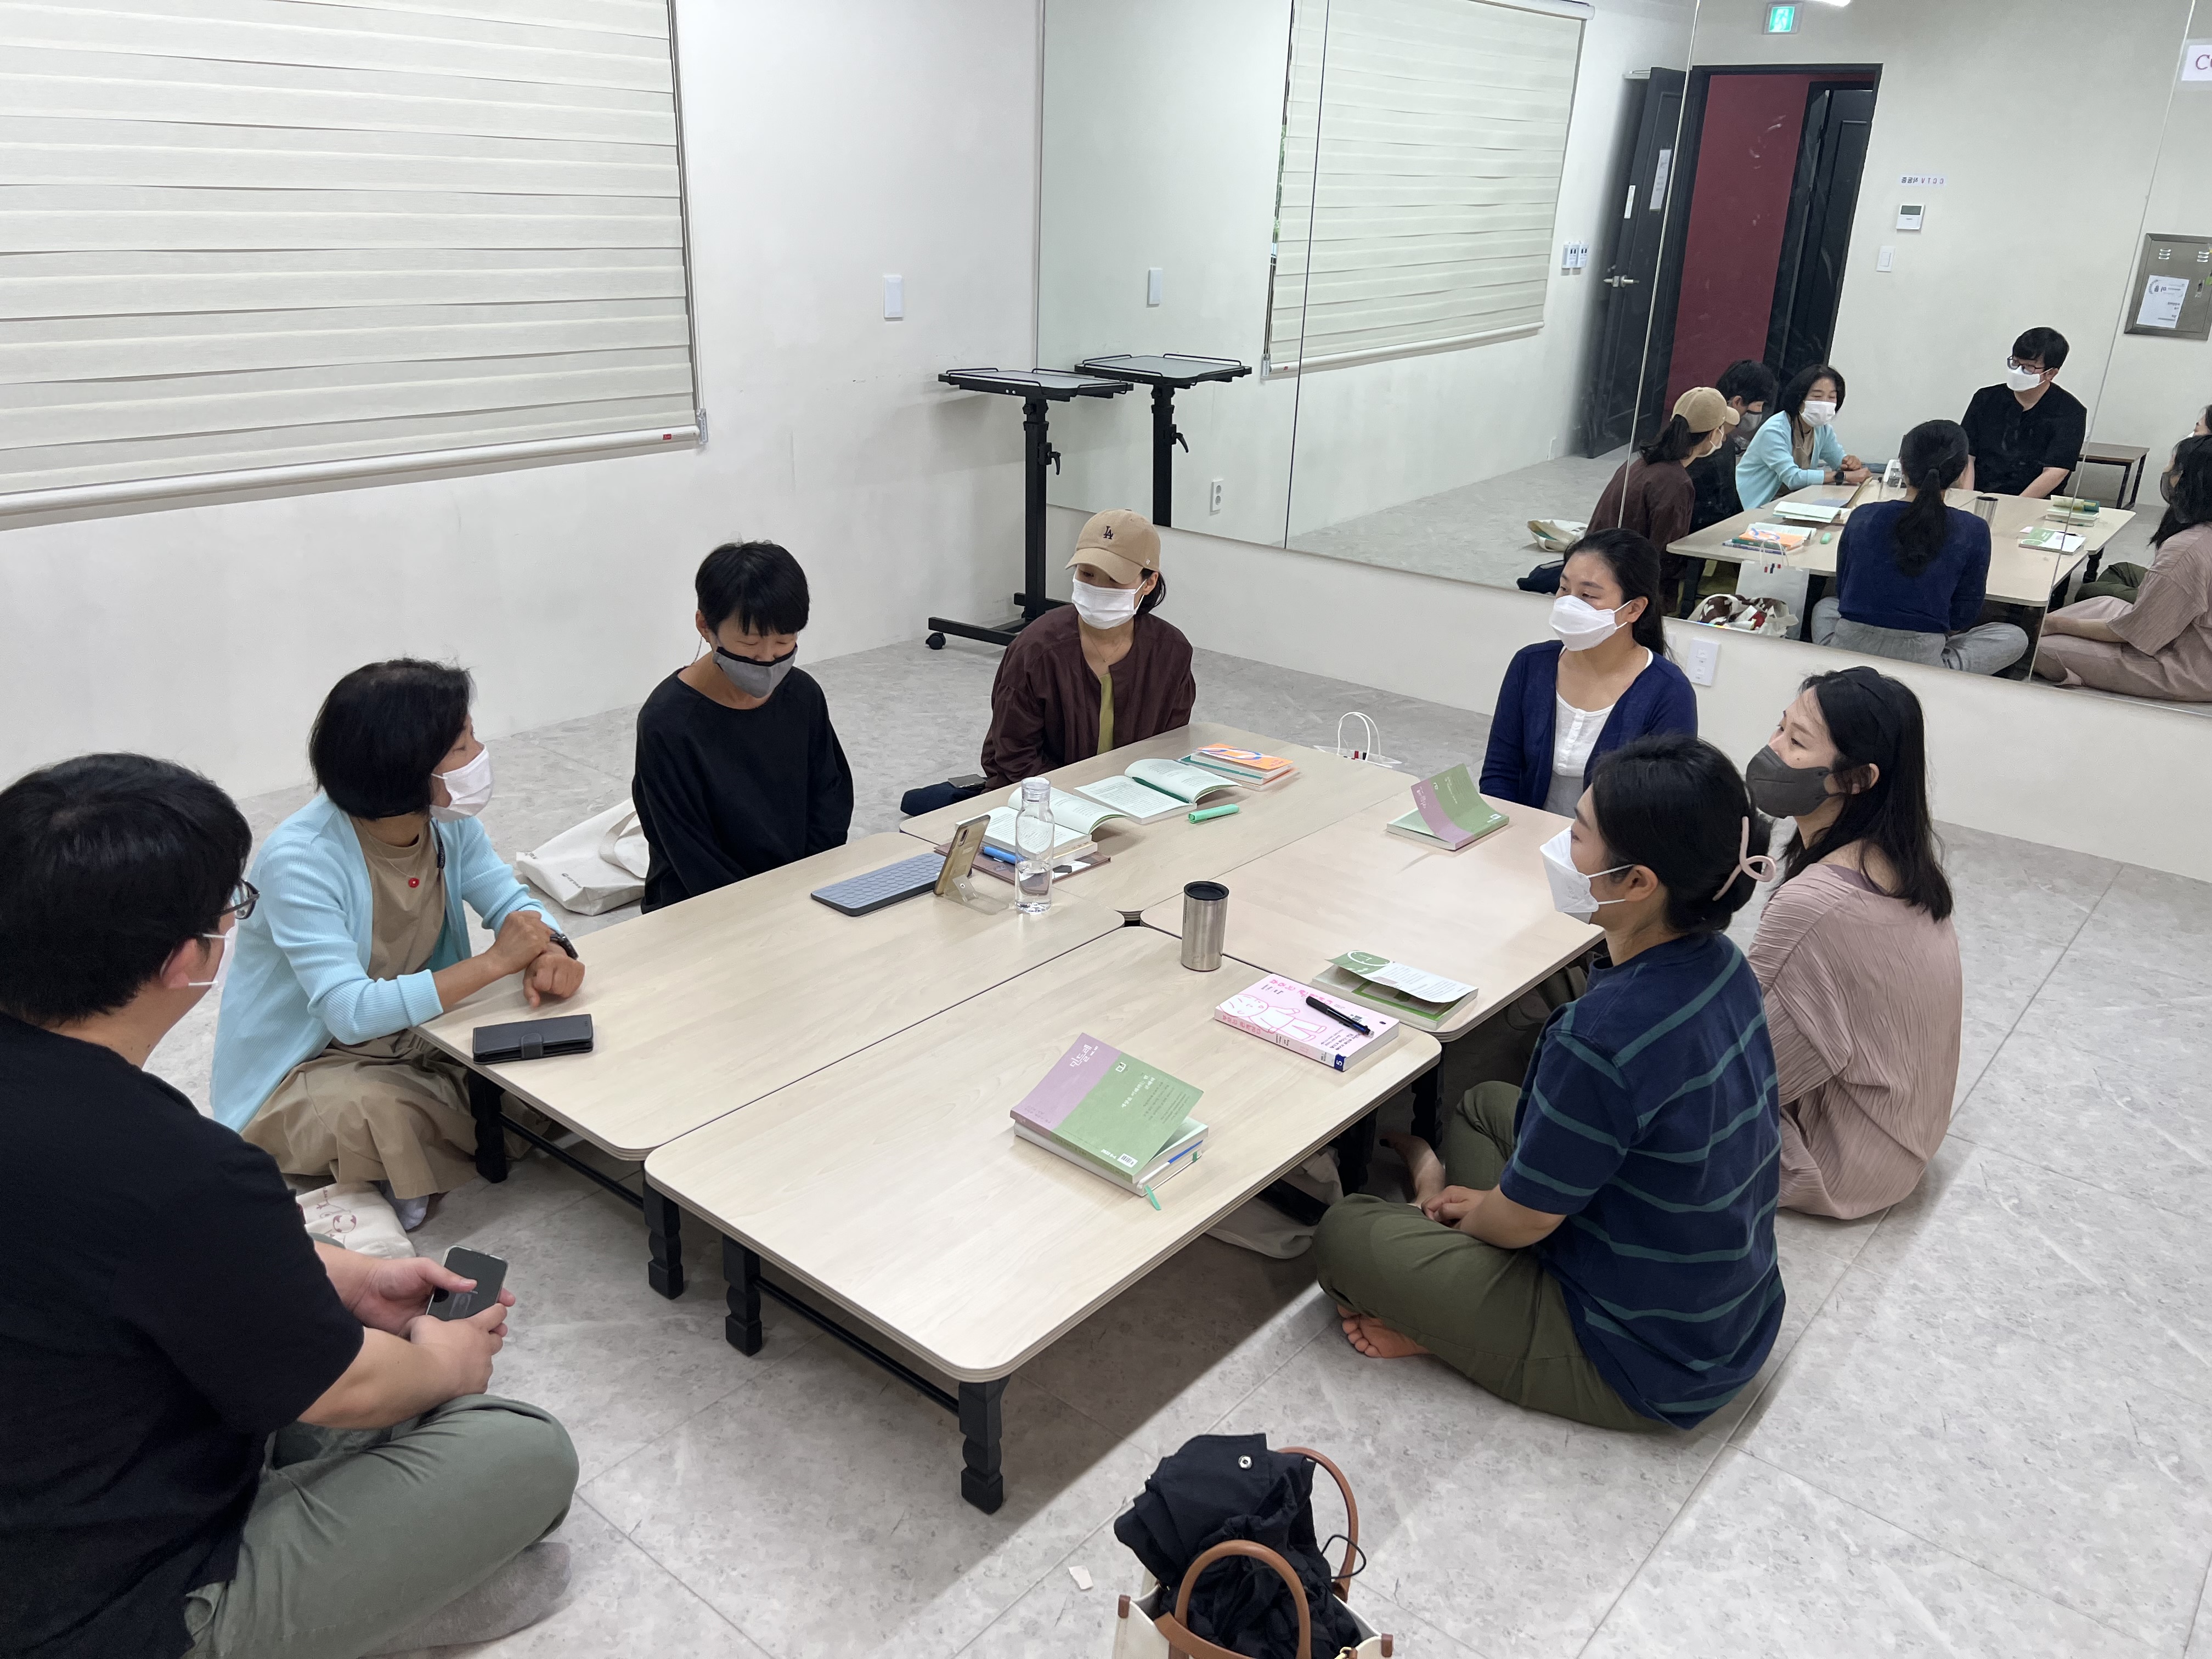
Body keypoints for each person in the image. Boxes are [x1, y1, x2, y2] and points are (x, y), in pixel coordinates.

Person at [0, 753, 577, 1659]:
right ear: (187, 958)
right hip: (109, 1610)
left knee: (348, 1353)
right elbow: (345, 1384)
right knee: (519, 1448)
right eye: (228, 905)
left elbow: (114, 1247)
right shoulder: (182, 1168)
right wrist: (443, 1360)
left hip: (63, 1473)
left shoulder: (110, 1137)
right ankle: (351, 1608)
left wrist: (345, 1275)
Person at [1313, 733, 1784, 1431]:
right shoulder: (1722, 963)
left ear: (1637, 882)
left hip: (1644, 1359)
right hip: (1724, 1310)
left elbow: (1526, 1221)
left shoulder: (1600, 1037)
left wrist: (1481, 1211)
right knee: (1484, 1106)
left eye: (1580, 834)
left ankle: (1448, 1319)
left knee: (1346, 1233)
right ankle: (1452, 1265)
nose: (1562, 845)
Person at [212, 661, 586, 1230]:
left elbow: (508, 900)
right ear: (406, 771)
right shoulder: (301, 859)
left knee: (554, 1044)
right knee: (376, 1113)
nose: (480, 755)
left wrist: (551, 949)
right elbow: (349, 1012)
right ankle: (410, 1155)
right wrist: (495, 962)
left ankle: (429, 1148)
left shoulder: (446, 820)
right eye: (462, 747)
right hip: (313, 1058)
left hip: (419, 1028)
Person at [1745, 669, 1961, 1217]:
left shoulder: (1816, 902)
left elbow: (1743, 1071)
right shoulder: (1896, 863)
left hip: (1838, 1162)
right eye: (1780, 727)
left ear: (1858, 779)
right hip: (1898, 1143)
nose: (1772, 749)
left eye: (1796, 742)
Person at [633, 540, 854, 912]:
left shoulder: (802, 695)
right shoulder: (667, 723)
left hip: (799, 889)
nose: (767, 658)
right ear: (705, 626)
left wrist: (809, 881)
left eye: (784, 640)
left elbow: (831, 798)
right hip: (701, 903)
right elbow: (689, 849)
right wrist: (762, 909)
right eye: (750, 643)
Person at [1480, 528, 1698, 814]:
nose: (1569, 604)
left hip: (1614, 841)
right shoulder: (1530, 665)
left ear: (1634, 609)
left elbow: (1663, 807)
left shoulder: (1669, 692)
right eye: (1563, 589)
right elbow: (1499, 772)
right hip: (1525, 832)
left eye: (1588, 595)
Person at [979, 507, 1196, 786]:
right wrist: (1075, 797)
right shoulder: (1035, 650)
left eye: (1115, 579)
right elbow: (1014, 754)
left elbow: (1170, 746)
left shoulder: (1171, 653)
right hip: (1041, 792)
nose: (1098, 588)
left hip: (1135, 794)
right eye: (1088, 574)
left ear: (1149, 582)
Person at [1808, 419, 2028, 674]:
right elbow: (1962, 616)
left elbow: (1844, 592)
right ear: (1961, 473)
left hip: (1849, 647)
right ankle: (1931, 672)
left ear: (1902, 465)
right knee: (2014, 637)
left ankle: (1849, 662)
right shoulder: (1974, 528)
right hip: (1923, 659)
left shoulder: (1863, 515)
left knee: (1825, 608)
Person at [2035, 439, 2212, 699]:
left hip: (2185, 666)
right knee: (2104, 602)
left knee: (2032, 645)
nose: (2166, 471)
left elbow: (2138, 633)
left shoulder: (2186, 549)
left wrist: (2057, 624)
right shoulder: (2199, 536)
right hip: (2186, 642)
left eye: (2173, 466)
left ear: (2190, 479)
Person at [1588, 386, 1739, 612]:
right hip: (1629, 591)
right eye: (1722, 430)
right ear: (1712, 435)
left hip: (1601, 569)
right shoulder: (1676, 482)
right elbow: (1666, 557)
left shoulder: (1639, 464)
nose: (1724, 437)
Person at [1960, 326, 2086, 501]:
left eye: (2028, 367)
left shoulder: (2070, 411)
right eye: (2015, 363)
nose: (2018, 371)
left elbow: (2056, 471)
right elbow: (1967, 455)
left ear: (2051, 373)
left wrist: (2015, 505)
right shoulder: (1986, 398)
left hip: (2034, 501)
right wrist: (1968, 499)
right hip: (1980, 494)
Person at [1736, 363, 1872, 510]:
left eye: (1832, 397)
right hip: (1753, 507)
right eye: (1817, 396)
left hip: (1790, 503)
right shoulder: (1775, 430)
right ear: (1800, 398)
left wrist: (1851, 465)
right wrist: (1841, 476)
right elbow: (1793, 478)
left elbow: (1840, 463)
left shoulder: (1823, 430)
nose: (1825, 403)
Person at [1688, 358, 1780, 534]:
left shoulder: (1725, 443)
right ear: (1737, 402)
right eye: (1759, 405)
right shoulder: (1709, 446)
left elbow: (1730, 500)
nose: (1760, 413)